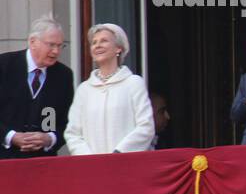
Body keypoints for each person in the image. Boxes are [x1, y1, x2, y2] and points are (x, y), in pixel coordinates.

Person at [65, 23, 155, 155]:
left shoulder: (134, 83)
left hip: (126, 165)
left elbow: (146, 127)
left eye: (104, 41)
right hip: (92, 168)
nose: (97, 45)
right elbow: (73, 133)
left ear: (118, 48)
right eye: (94, 42)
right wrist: (88, 159)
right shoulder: (84, 90)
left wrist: (119, 153)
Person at [0, 16, 74, 160]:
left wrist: (49, 138)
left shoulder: (64, 75)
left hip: (44, 163)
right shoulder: (4, 66)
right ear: (33, 42)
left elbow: (67, 121)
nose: (56, 51)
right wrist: (11, 136)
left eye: (60, 46)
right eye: (51, 45)